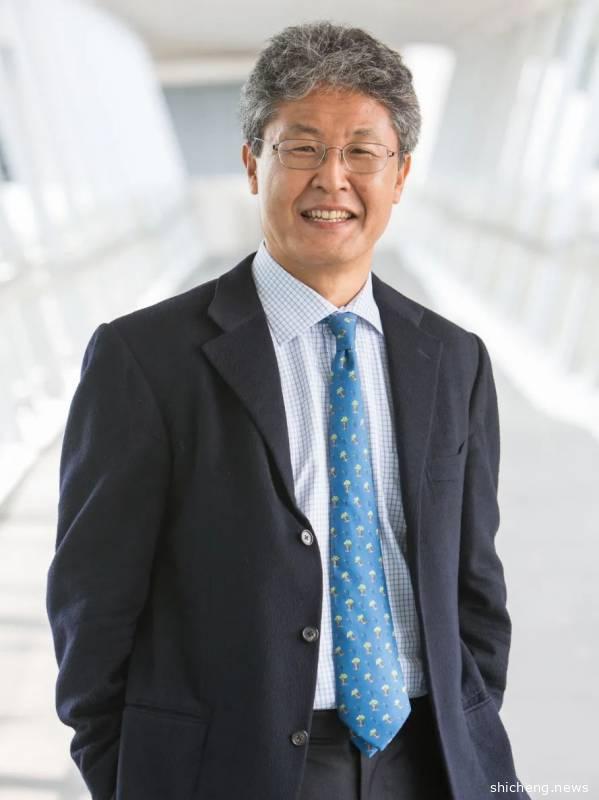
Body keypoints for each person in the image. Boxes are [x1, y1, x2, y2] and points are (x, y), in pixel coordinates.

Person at [46, 20, 529, 800]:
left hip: (428, 761)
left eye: (362, 152)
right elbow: (91, 604)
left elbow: (475, 587)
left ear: (400, 174)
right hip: (225, 771)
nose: (331, 179)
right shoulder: (146, 359)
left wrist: (469, 735)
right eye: (301, 148)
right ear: (252, 163)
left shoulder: (451, 359)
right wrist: (128, 775)